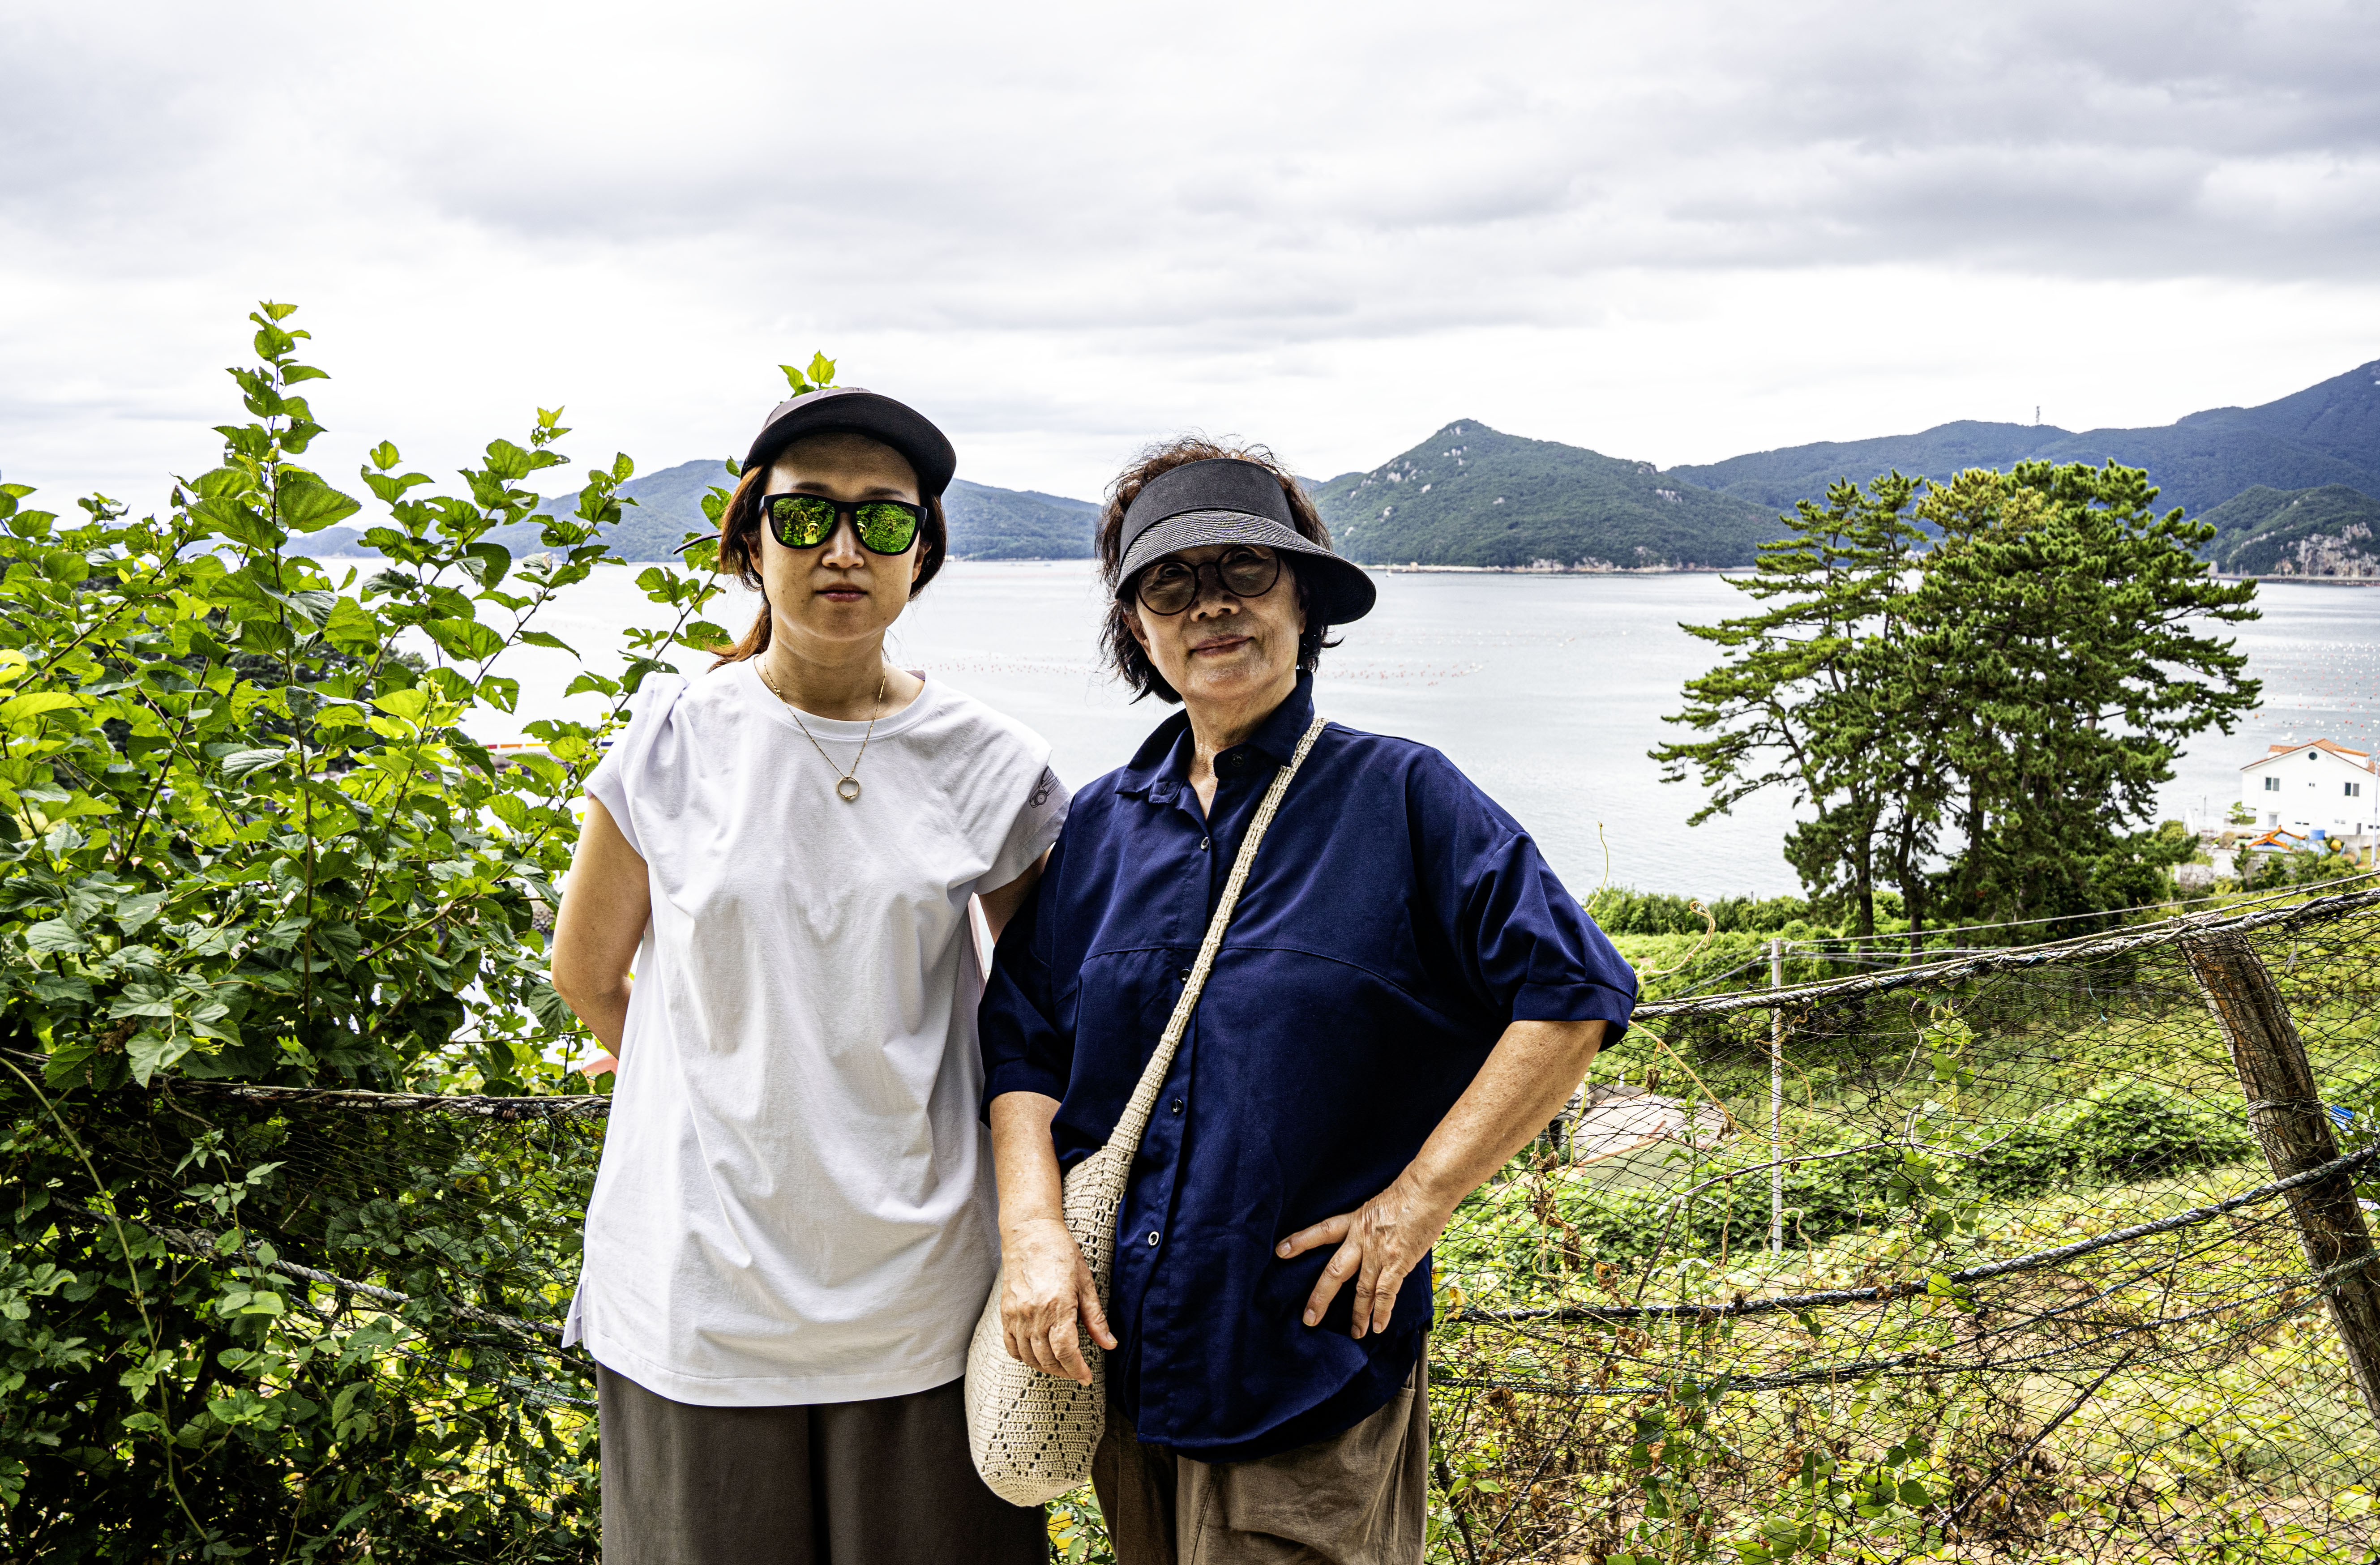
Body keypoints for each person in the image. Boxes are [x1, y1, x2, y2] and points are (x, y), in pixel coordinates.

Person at [979, 440, 1638, 1565]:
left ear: (1304, 601)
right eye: (1170, 583)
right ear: (1137, 626)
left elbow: (1574, 992)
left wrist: (1419, 1201)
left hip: (1308, 1362)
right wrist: (1034, 1233)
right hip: (1127, 1365)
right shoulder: (1098, 828)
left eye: (1245, 569)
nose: (1211, 605)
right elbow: (1024, 1049)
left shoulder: (1404, 797)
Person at [551, 386, 1066, 1564]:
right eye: (804, 515)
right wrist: (703, 1064)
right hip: (701, 1294)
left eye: (883, 519)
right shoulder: (672, 742)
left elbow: (1043, 1013)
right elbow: (587, 972)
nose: (843, 548)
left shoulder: (992, 766)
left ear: (922, 552)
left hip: (928, 1296)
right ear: (750, 540)